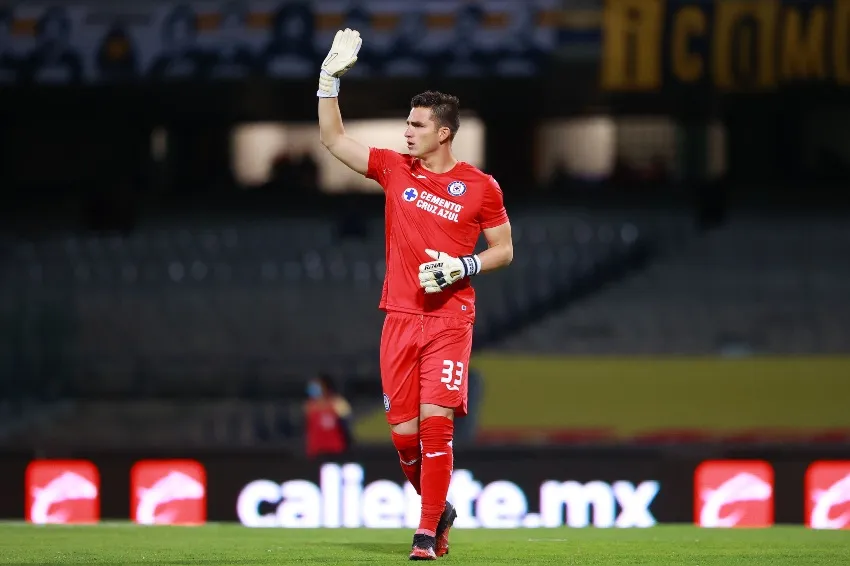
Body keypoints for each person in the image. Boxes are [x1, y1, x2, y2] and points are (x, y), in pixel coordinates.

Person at [316, 29, 513, 561]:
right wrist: (327, 82)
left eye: (416, 124)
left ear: (444, 133)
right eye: (407, 122)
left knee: (435, 425)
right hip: (399, 318)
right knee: (404, 440)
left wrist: (462, 265)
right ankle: (439, 506)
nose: (406, 131)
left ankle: (426, 533)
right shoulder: (392, 168)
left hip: (450, 318)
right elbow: (334, 141)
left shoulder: (481, 186)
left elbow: (504, 250)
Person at [303, 373, 352, 459]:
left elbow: (347, 423)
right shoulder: (309, 406)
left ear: (325, 386)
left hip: (335, 449)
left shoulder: (338, 403)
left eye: (318, 385)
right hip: (316, 450)